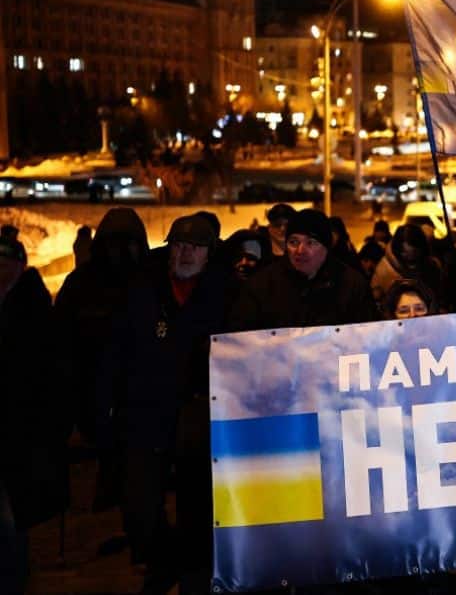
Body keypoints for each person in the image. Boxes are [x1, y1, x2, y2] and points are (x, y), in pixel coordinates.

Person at [103, 215, 228, 594]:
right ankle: (162, 559)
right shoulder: (143, 286)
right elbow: (117, 347)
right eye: (179, 245)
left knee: (196, 504)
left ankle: (192, 573)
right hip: (146, 410)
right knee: (140, 504)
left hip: (198, 413)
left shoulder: (223, 290)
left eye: (195, 247)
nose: (186, 253)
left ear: (209, 253)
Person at [54, 208, 150, 515]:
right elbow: (62, 337)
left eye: (129, 243)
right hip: (92, 387)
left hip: (138, 391)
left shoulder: (150, 281)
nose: (121, 252)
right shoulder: (81, 284)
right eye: (115, 243)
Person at [1, 236, 62, 594]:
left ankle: (13, 580)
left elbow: (47, 369)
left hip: (19, 425)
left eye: (6, 264)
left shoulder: (32, 307)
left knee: (11, 513)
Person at [229, 209, 378, 331]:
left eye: (311, 243)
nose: (300, 250)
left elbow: (370, 337)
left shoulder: (352, 285)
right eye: (293, 242)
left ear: (326, 247)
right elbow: (241, 340)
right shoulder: (261, 286)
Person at [371, 224, 446, 313]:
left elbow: (440, 298)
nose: (410, 258)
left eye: (415, 252)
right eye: (405, 253)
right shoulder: (384, 270)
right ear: (398, 250)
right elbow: (376, 302)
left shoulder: (432, 266)